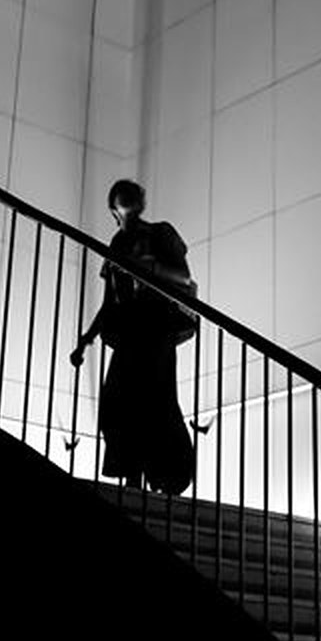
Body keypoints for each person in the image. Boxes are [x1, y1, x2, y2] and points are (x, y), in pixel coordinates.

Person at [69, 180, 197, 495]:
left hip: (155, 329)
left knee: (154, 402)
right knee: (117, 405)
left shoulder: (161, 234)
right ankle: (132, 476)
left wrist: (149, 267)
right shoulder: (116, 244)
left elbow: (183, 277)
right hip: (129, 333)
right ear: (114, 210)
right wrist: (87, 338)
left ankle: (161, 475)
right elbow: (110, 301)